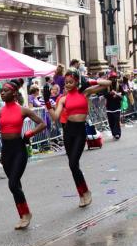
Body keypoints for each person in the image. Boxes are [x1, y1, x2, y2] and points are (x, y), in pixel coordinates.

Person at [0, 80, 46, 230]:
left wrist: (30, 133)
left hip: (19, 149)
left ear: (14, 93)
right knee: (16, 185)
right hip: (6, 151)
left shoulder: (23, 110)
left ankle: (26, 214)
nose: (2, 93)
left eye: (5, 91)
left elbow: (42, 123)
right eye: (1, 91)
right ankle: (22, 215)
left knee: (13, 184)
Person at [44, 69, 111, 207]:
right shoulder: (63, 99)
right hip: (68, 131)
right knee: (73, 165)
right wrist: (47, 103)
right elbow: (55, 117)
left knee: (73, 164)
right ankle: (83, 193)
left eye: (71, 82)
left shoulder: (84, 93)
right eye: (66, 82)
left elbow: (107, 83)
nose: (68, 85)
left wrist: (91, 81)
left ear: (76, 82)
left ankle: (85, 192)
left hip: (80, 131)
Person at [103, 71, 123, 139]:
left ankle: (117, 133)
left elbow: (123, 93)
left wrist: (117, 95)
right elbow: (105, 95)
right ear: (109, 78)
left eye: (114, 78)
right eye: (112, 78)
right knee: (111, 121)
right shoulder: (107, 86)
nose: (113, 79)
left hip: (117, 106)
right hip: (109, 107)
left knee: (116, 120)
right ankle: (113, 133)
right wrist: (110, 94)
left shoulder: (118, 85)